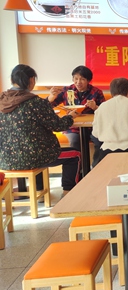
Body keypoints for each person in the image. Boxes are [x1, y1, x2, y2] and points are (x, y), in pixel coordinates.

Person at [0, 64, 81, 197]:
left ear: (11, 80)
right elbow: (58, 125)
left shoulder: (2, 100)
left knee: (31, 148)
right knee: (75, 155)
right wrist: (70, 117)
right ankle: (68, 192)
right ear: (31, 80)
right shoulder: (35, 102)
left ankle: (38, 190)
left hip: (5, 159)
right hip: (36, 156)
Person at [48, 65, 105, 166]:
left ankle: (96, 167)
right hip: (72, 126)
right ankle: (79, 170)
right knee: (75, 142)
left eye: (82, 79)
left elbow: (105, 111)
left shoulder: (96, 92)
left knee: (100, 142)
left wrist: (95, 107)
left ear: (88, 80)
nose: (78, 82)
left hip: (93, 127)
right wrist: (51, 97)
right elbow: (48, 106)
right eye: (76, 78)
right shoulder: (66, 91)